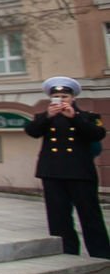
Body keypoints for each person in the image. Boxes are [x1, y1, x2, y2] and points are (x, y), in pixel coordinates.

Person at [25, 76, 109, 259]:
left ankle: (101, 254)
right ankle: (66, 253)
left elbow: (97, 135)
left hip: (80, 173)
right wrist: (48, 116)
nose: (61, 100)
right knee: (58, 217)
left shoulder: (88, 117)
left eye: (65, 96)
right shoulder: (44, 117)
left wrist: (75, 118)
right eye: (57, 97)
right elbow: (32, 131)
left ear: (73, 98)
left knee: (90, 216)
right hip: (53, 172)